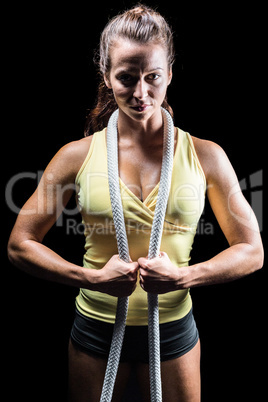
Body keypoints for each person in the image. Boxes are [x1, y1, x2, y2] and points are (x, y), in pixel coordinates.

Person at [8, 5, 263, 402]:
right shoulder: (76, 156)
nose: (142, 93)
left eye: (153, 77)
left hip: (173, 329)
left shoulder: (206, 155)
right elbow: (19, 244)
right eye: (126, 78)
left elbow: (252, 251)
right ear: (107, 77)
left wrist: (185, 277)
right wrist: (90, 278)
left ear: (170, 75)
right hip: (95, 328)